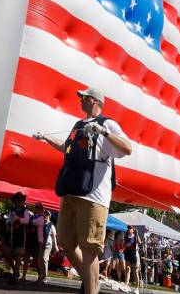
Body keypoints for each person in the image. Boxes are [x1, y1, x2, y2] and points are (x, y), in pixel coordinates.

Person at [34, 86, 132, 294]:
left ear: (95, 101)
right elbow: (67, 148)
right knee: (66, 242)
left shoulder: (108, 123)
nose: (80, 100)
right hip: (70, 191)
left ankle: (90, 288)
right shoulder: (78, 124)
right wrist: (46, 138)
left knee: (89, 249)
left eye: (84, 97)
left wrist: (104, 132)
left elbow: (127, 148)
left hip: (93, 197)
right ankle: (90, 282)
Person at [5, 191, 31, 283]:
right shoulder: (12, 210)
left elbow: (27, 221)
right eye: (18, 200)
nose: (20, 202)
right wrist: (8, 222)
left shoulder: (25, 211)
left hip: (20, 234)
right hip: (11, 234)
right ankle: (16, 272)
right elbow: (8, 220)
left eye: (21, 200)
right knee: (6, 253)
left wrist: (18, 219)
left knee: (18, 255)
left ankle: (15, 277)